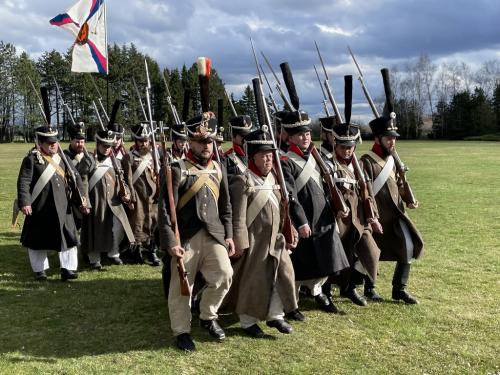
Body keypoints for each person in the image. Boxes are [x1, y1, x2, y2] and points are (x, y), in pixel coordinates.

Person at [158, 58, 234, 352]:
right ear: (190, 141)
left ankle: (207, 314)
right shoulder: (176, 169)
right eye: (201, 142)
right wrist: (170, 243)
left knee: (224, 276)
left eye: (211, 142)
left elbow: (225, 205)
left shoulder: (218, 168)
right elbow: (165, 211)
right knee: (181, 286)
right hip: (186, 236)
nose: (207, 147)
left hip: (213, 234)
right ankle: (181, 331)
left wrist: (227, 234)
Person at [224, 127, 297, 338]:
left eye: (270, 156)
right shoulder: (242, 180)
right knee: (253, 282)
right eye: (263, 156)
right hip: (253, 240)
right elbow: (237, 216)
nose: (267, 160)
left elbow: (283, 209)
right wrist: (240, 242)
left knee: (281, 276)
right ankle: (248, 322)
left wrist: (288, 229)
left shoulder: (275, 179)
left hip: (275, 239)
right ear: (253, 158)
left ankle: (276, 315)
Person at [360, 68, 424, 304]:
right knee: (370, 250)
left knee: (407, 246)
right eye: (388, 139)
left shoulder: (393, 158)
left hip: (396, 213)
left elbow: (399, 183)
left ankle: (399, 289)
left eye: (394, 139)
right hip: (376, 215)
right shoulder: (366, 161)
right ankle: (370, 287)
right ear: (377, 139)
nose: (392, 142)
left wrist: (408, 199)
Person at [318, 77, 383, 306]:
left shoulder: (358, 165)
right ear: (336, 145)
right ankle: (327, 291)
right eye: (343, 147)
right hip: (338, 217)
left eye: (350, 147)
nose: (347, 151)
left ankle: (351, 286)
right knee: (334, 255)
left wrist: (373, 216)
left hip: (358, 217)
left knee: (367, 252)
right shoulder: (326, 164)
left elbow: (367, 192)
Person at [280, 110, 349, 315]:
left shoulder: (315, 156)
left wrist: (338, 207)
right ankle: (292, 301)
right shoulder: (286, 161)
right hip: (303, 219)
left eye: (307, 133)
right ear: (290, 137)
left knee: (331, 257)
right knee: (301, 263)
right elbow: (290, 196)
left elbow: (326, 185)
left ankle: (318, 291)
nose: (305, 137)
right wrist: (300, 222)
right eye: (300, 134)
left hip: (323, 215)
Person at [17, 125, 87, 281]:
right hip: (40, 206)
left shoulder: (63, 158)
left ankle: (68, 269)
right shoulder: (31, 159)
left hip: (63, 206)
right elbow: (24, 182)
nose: (53, 145)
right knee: (37, 240)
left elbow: (76, 179)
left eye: (54, 142)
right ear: (39, 143)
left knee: (68, 237)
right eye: (49, 142)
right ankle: (40, 271)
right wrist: (25, 203)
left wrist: (83, 198)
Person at [80, 130, 135, 270]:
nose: (107, 148)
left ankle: (113, 252)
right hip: (96, 201)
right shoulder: (89, 160)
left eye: (109, 146)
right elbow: (83, 181)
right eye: (104, 145)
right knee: (95, 230)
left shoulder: (116, 161)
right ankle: (95, 259)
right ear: (98, 145)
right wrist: (85, 200)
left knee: (118, 228)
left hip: (114, 201)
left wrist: (126, 194)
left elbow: (122, 181)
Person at [122, 123, 161, 266]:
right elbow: (129, 179)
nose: (144, 143)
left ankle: (152, 250)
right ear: (136, 141)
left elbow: (158, 176)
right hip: (138, 196)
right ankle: (136, 250)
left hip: (153, 196)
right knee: (137, 223)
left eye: (146, 140)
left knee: (153, 222)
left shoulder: (154, 156)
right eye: (141, 141)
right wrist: (131, 197)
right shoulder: (129, 157)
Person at [64, 122, 94, 230]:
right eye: (77, 142)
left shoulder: (89, 157)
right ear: (70, 140)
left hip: (88, 199)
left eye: (82, 141)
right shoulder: (63, 156)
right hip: (70, 200)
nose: (80, 144)